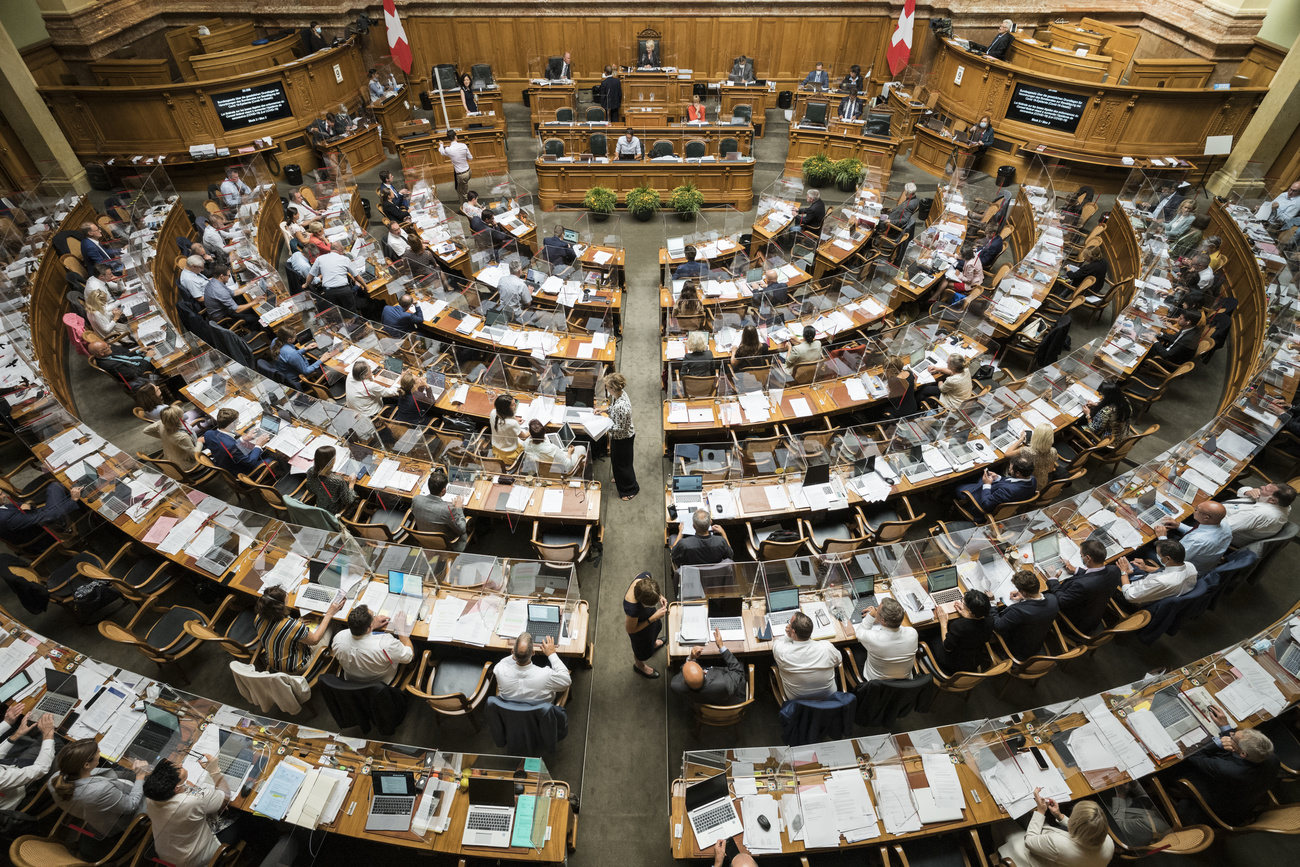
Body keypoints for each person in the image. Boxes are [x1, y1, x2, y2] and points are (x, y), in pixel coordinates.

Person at [1175, 706, 1280, 826]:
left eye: (1233, 738)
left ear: (1243, 754)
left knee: (1177, 768)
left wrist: (1218, 742)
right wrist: (1225, 726)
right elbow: (1238, 746)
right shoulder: (1271, 757)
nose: (1231, 734)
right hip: (1241, 793)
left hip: (1217, 808)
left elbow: (1193, 755)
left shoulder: (1227, 769)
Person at [48, 739, 147, 859]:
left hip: (95, 814)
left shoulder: (55, 779)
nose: (99, 751)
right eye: (97, 752)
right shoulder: (100, 790)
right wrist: (140, 776)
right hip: (119, 820)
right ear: (86, 765)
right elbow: (131, 805)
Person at [143, 757, 236, 867]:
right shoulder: (191, 801)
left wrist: (189, 788)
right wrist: (214, 771)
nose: (181, 765)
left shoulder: (152, 796)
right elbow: (225, 796)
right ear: (176, 788)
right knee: (240, 818)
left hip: (167, 854)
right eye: (179, 770)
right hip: (194, 859)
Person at [998, 793, 1113, 867]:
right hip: (1063, 858)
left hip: (1032, 858)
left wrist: (1041, 812)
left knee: (1003, 822)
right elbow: (1086, 830)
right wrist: (1060, 816)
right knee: (1030, 818)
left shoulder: (1058, 843)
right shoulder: (1108, 842)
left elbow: (1029, 841)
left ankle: (995, 848)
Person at [255, 585, 341, 675]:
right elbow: (315, 639)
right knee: (333, 623)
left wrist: (295, 623)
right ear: (280, 607)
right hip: (296, 667)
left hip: (274, 664)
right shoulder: (294, 626)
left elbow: (277, 629)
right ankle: (337, 661)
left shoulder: (258, 618)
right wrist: (329, 614)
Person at [1045, 539, 1121, 634]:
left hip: (1078, 621)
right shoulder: (1114, 570)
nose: (1081, 557)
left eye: (1081, 555)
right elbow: (1096, 576)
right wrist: (1075, 570)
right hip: (1094, 612)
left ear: (1088, 558)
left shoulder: (1082, 585)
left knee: (1047, 597)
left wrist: (1053, 580)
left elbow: (1061, 601)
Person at [331, 604, 414, 683]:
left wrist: (371, 626)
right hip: (380, 682)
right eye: (373, 616)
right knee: (416, 646)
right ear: (370, 626)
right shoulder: (386, 644)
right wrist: (400, 629)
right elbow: (409, 656)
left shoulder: (339, 638)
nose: (375, 617)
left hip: (351, 680)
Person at [990, 569, 1059, 660]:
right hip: (1034, 643)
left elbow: (997, 626)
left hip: (1015, 649)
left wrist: (992, 603)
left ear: (1024, 592)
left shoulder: (1019, 611)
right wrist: (1024, 598)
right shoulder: (1052, 599)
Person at [772, 611, 842, 700]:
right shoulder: (826, 648)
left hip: (797, 701)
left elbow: (778, 642)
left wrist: (789, 636)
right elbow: (838, 660)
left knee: (775, 663)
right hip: (828, 698)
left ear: (793, 631)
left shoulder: (782, 651)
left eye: (789, 623)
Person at [1151, 501, 1230, 575]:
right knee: (1172, 533)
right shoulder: (1224, 525)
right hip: (1196, 556)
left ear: (1206, 518)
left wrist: (1162, 537)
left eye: (1197, 510)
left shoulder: (1197, 540)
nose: (1194, 509)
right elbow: (1197, 531)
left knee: (1145, 549)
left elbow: (1171, 560)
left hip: (1183, 569)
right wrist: (1179, 525)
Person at [671, 629, 746, 705]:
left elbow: (683, 673)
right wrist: (721, 646)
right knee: (740, 663)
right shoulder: (723, 684)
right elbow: (737, 671)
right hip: (724, 698)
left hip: (701, 700)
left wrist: (691, 658)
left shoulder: (675, 685)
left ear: (684, 681)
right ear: (704, 671)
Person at [0, 707, 55, 809]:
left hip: (8, 769)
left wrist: (15, 734)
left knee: (34, 743)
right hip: (19, 794)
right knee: (56, 745)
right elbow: (41, 769)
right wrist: (48, 734)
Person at [493, 633, 572, 702]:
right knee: (563, 658)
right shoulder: (545, 675)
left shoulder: (500, 670)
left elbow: (503, 662)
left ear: (512, 651)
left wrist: (516, 654)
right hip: (540, 716)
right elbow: (566, 681)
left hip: (510, 715)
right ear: (533, 652)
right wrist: (552, 654)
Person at [853, 598, 918, 681]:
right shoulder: (913, 633)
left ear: (883, 620)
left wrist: (871, 616)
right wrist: (881, 619)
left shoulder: (874, 639)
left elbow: (859, 633)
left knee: (856, 649)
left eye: (877, 611)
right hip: (905, 683)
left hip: (876, 683)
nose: (876, 611)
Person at [929, 590, 993, 673]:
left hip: (954, 663)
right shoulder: (990, 620)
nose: (962, 602)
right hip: (974, 659)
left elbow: (947, 647)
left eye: (963, 602)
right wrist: (968, 616)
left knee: (931, 634)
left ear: (970, 610)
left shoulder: (959, 626)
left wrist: (943, 623)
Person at [1118, 541, 1197, 607]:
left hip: (1134, 595)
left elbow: (1129, 596)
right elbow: (1166, 570)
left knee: (1112, 569)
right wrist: (1146, 568)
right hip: (1148, 583)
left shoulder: (1161, 581)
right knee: (1126, 561)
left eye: (1158, 554)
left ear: (1167, 559)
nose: (1156, 555)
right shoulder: (1190, 566)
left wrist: (1124, 573)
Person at [412, 470, 472, 551]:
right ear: (443, 490)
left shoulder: (416, 499)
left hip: (423, 540)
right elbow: (461, 529)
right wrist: (458, 508)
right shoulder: (448, 510)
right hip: (445, 543)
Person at [957, 455, 1038, 513]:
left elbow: (986, 505)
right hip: (994, 490)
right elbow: (1011, 482)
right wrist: (998, 477)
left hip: (979, 502)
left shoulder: (1008, 491)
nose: (1009, 469)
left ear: (1018, 473)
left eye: (1010, 468)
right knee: (978, 477)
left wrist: (987, 485)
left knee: (958, 487)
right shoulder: (1032, 479)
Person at [1222, 482, 1295, 545]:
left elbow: (1223, 528)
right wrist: (1247, 492)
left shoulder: (1257, 514)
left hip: (1223, 530)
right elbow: (1242, 490)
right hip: (1230, 511)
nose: (1261, 487)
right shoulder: (1284, 505)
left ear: (1272, 500)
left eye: (1265, 489)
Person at [202, 407, 266, 476]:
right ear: (232, 424)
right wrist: (259, 444)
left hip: (225, 463)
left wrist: (243, 439)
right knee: (269, 457)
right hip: (242, 472)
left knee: (254, 448)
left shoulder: (208, 434)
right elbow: (250, 462)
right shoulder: (230, 446)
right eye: (237, 422)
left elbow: (227, 446)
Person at [604, 372, 638, 499]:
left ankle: (630, 489)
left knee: (623, 464)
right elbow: (612, 409)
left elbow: (620, 428)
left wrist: (604, 428)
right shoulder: (619, 395)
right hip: (618, 437)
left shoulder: (621, 406)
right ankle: (619, 477)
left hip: (623, 439)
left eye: (607, 386)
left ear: (613, 388)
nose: (606, 388)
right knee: (616, 462)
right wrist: (603, 411)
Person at [625, 573, 667, 677]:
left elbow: (651, 584)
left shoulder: (645, 577)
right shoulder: (632, 609)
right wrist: (654, 618)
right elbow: (631, 630)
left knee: (655, 630)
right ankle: (640, 666)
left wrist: (659, 596)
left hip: (649, 617)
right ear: (642, 602)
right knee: (641, 651)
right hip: (640, 631)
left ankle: (653, 644)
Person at [306, 242, 364, 311]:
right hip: (343, 291)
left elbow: (310, 275)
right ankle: (354, 320)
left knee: (338, 312)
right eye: (342, 251)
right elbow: (357, 277)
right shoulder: (345, 259)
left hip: (329, 292)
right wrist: (365, 286)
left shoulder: (320, 259)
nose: (343, 253)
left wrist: (306, 284)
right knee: (351, 312)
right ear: (339, 250)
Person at [143, 404, 199, 473]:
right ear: (179, 418)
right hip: (184, 466)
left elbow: (146, 430)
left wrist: (163, 437)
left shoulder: (161, 423)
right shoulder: (182, 437)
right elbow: (195, 455)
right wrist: (200, 442)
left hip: (170, 459)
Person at [202, 262, 259, 329]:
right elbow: (237, 310)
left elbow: (233, 293)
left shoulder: (214, 282)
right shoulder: (220, 291)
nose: (229, 277)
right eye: (228, 275)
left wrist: (248, 286)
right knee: (255, 318)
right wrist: (254, 302)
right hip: (224, 317)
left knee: (242, 299)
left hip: (223, 310)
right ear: (222, 276)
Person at [522, 419, 587, 475]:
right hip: (557, 468)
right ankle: (581, 469)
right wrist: (569, 452)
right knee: (582, 448)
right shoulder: (553, 448)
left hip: (540, 466)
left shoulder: (526, 443)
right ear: (544, 432)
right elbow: (567, 465)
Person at [304, 444, 355, 515]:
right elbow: (349, 500)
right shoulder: (338, 481)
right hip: (335, 512)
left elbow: (310, 489)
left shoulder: (310, 471)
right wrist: (351, 483)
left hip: (321, 506)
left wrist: (332, 474)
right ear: (332, 461)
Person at [86, 340, 158, 390]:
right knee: (165, 366)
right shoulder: (112, 366)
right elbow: (137, 373)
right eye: (107, 347)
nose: (110, 347)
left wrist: (139, 351)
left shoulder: (104, 355)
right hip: (143, 373)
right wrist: (148, 357)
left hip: (139, 362)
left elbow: (124, 357)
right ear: (101, 352)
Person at [1006, 423, 1059, 489]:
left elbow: (1007, 454)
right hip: (1042, 484)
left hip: (1028, 484)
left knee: (1005, 466)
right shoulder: (1053, 451)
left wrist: (1021, 439)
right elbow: (1050, 470)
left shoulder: (1027, 451)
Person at [84, 277, 129, 342]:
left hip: (113, 327)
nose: (105, 303)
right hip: (112, 336)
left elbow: (104, 317)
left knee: (129, 326)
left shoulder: (93, 306)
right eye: (104, 302)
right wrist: (115, 318)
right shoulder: (96, 313)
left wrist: (112, 313)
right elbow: (106, 330)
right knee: (133, 332)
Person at [489, 394, 527, 463]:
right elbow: (524, 437)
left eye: (514, 403)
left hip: (497, 448)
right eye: (512, 405)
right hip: (510, 454)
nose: (515, 405)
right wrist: (532, 429)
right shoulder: (513, 423)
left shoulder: (493, 413)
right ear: (506, 409)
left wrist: (514, 418)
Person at [439, 130, 473, 202]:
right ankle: (464, 205)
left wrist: (441, 144)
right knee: (461, 189)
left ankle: (469, 207)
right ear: (455, 137)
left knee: (463, 193)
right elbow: (470, 157)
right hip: (468, 171)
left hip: (461, 175)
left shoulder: (448, 149)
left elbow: (442, 152)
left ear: (449, 139)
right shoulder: (463, 145)